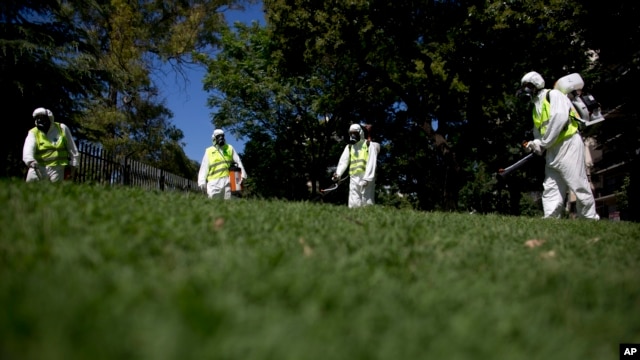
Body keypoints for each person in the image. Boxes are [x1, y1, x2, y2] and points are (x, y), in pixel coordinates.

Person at [518, 71, 599, 219]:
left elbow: (559, 119)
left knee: (578, 183)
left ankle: (589, 218)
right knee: (551, 186)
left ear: (537, 84)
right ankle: (551, 217)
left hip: (568, 144)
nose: (526, 90)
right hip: (552, 149)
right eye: (524, 87)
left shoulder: (553, 95)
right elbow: (539, 131)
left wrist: (543, 143)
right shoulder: (535, 106)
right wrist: (535, 143)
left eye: (528, 85)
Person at [22, 107, 79, 182]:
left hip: (58, 168)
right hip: (37, 167)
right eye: (37, 118)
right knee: (29, 190)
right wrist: (30, 161)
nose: (39, 120)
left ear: (49, 118)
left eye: (42, 117)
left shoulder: (62, 129)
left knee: (55, 192)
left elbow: (72, 149)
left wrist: (73, 167)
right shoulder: (33, 132)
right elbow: (28, 149)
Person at [332, 123, 380, 208]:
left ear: (360, 133)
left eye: (355, 133)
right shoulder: (349, 147)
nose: (353, 135)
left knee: (367, 200)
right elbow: (343, 162)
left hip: (366, 177)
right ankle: (353, 219)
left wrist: (367, 178)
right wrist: (338, 174)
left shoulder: (369, 145)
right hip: (354, 177)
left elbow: (371, 162)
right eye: (351, 133)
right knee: (354, 201)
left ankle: (369, 219)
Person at [198, 129, 247, 199]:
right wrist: (202, 181)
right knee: (214, 204)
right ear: (214, 138)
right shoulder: (209, 151)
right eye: (218, 136)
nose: (221, 138)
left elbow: (238, 161)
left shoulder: (229, 148)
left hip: (228, 181)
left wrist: (242, 175)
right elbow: (204, 167)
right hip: (214, 183)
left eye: (222, 136)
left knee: (227, 204)